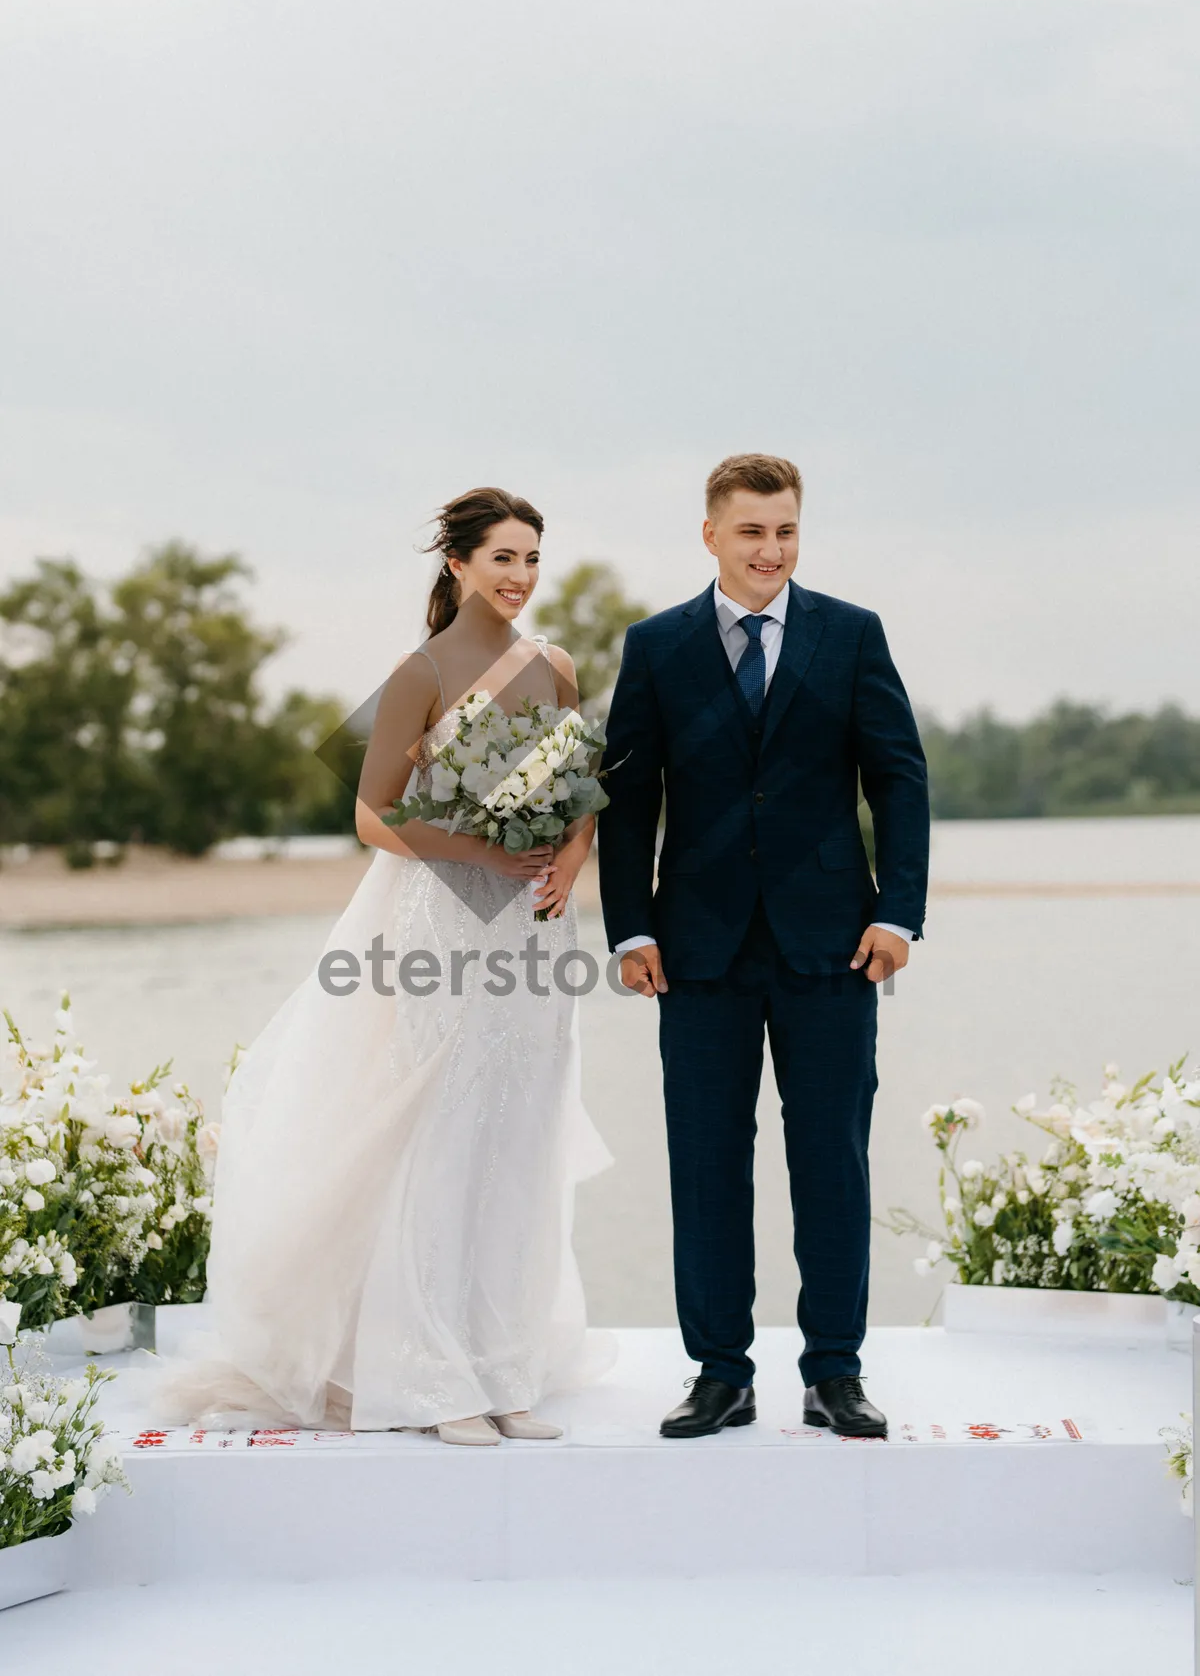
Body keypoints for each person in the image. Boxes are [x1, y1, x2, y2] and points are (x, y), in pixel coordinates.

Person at [164, 487, 611, 1445]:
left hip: (534, 931)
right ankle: (436, 1377)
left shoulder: (558, 666)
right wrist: (483, 853)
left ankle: (505, 1367)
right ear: (456, 564)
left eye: (532, 557)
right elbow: (374, 815)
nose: (521, 576)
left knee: (520, 1137)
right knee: (444, 1136)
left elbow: (579, 796)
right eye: (503, 557)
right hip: (444, 920)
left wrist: (566, 865)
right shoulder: (421, 670)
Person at [599, 453, 929, 1439]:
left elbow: (899, 780)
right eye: (751, 532)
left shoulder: (850, 634)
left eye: (785, 531)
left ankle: (834, 1373)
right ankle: (719, 1373)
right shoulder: (656, 648)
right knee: (705, 1162)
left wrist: (898, 913)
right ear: (711, 535)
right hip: (695, 951)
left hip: (835, 947)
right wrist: (630, 926)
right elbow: (627, 804)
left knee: (832, 1159)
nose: (770, 551)